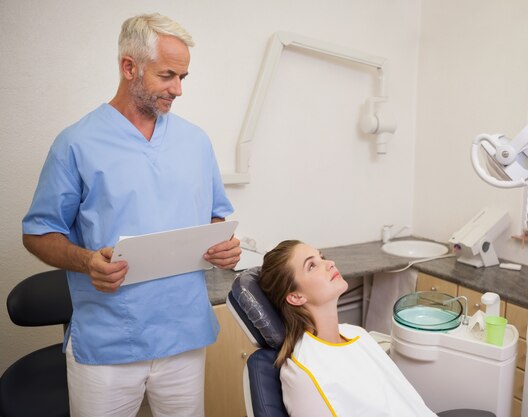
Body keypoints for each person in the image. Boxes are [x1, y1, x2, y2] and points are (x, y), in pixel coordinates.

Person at [21, 13, 240, 417]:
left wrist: (224, 248)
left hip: (184, 334)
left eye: (183, 77)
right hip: (110, 342)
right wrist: (86, 260)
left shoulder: (195, 141)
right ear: (129, 67)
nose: (177, 89)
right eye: (167, 75)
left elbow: (216, 220)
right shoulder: (76, 143)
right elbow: (38, 233)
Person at [258, 240, 438, 417]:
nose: (330, 263)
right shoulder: (303, 371)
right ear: (296, 297)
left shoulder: (356, 333)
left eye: (322, 257)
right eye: (312, 266)